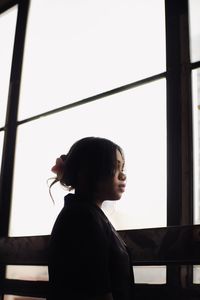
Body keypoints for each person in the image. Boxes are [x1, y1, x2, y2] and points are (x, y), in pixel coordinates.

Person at [47, 136, 134, 300]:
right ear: (88, 171)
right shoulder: (83, 218)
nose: (123, 176)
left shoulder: (85, 213)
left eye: (123, 168)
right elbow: (96, 288)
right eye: (115, 167)